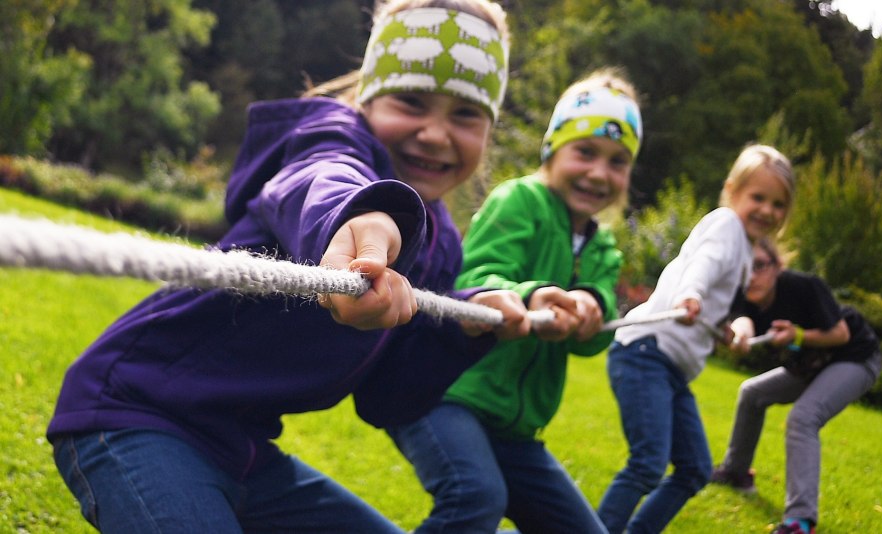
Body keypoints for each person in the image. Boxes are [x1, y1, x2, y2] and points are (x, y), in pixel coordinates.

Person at [46, 1, 525, 532]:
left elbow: (385, 398)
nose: (435, 134)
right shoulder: (329, 137)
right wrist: (363, 216)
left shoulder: (442, 246)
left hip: (244, 452)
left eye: (465, 115)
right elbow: (319, 176)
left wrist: (464, 324)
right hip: (136, 415)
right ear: (367, 99)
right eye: (411, 102)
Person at [386, 68, 644, 533]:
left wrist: (591, 309)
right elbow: (474, 277)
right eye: (585, 152)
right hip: (448, 393)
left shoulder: (604, 247)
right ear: (552, 149)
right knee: (476, 496)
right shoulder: (519, 201)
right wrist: (528, 297)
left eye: (617, 161)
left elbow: (592, 336)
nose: (598, 173)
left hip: (515, 427)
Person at [597, 144, 796, 534]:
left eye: (777, 204)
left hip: (670, 369)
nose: (766, 211)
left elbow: (715, 310)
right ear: (732, 190)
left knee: (694, 469)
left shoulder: (744, 249)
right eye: (758, 197)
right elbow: (701, 269)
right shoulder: (725, 225)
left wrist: (728, 329)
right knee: (647, 465)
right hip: (645, 352)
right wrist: (692, 296)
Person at [710, 238, 882, 534]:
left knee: (804, 417)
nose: (751, 275)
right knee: (752, 393)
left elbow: (840, 334)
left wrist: (799, 336)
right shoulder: (746, 294)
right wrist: (740, 336)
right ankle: (736, 472)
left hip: (854, 357)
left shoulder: (804, 286)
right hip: (808, 366)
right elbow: (745, 322)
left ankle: (800, 521)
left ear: (777, 267)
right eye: (744, 269)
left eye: (760, 266)